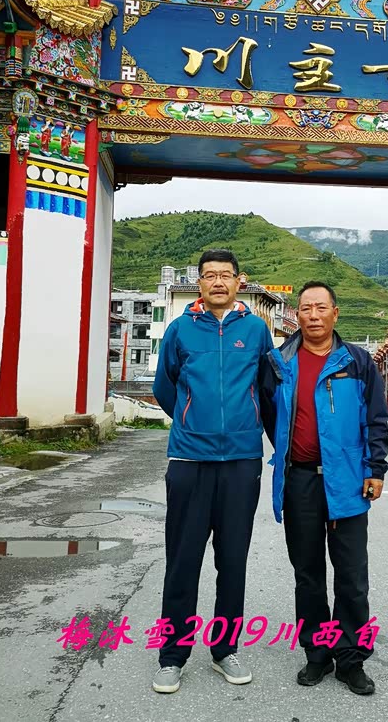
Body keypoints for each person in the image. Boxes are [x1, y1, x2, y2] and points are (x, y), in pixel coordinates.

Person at [151, 249, 273, 694]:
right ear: (198, 283)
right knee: (183, 560)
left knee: (232, 560)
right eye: (209, 275)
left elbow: (267, 389)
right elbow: (164, 387)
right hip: (189, 460)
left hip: (241, 461)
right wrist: (191, 422)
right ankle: (172, 655)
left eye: (225, 275)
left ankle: (225, 650)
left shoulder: (256, 331)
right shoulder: (179, 329)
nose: (218, 282)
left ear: (239, 281)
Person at [259, 281, 388, 696]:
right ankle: (317, 654)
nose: (313, 315)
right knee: (308, 575)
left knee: (351, 576)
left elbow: (375, 419)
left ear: (335, 312)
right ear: (297, 315)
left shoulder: (357, 362)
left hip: (347, 480)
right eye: (305, 308)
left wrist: (375, 468)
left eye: (321, 307)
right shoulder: (278, 362)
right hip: (299, 480)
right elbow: (269, 415)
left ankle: (351, 660)